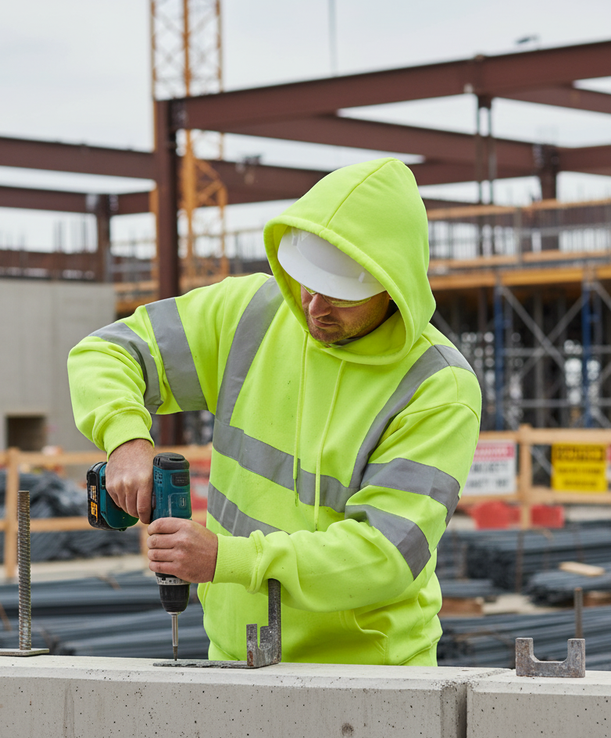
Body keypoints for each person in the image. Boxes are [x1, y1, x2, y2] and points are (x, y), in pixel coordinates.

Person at [68, 157, 481, 665]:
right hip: (233, 654)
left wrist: (228, 559)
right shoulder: (251, 314)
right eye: (308, 284)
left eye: (340, 297)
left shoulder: (437, 388)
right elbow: (106, 352)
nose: (314, 309)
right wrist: (126, 436)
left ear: (394, 288)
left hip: (368, 673)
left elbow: (384, 556)